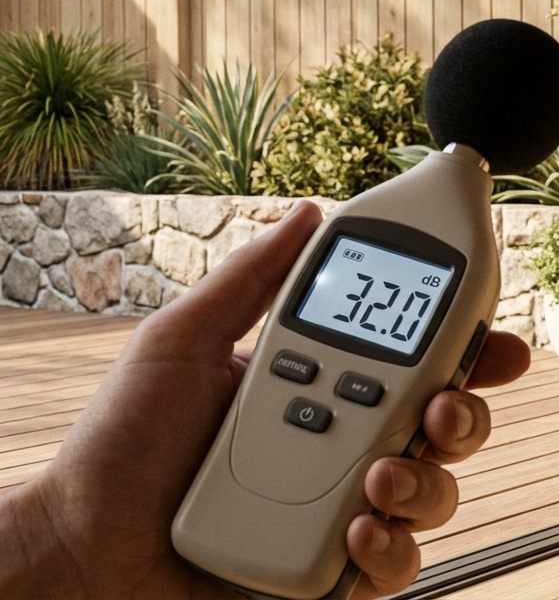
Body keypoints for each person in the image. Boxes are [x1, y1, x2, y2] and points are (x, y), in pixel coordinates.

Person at [0, 201, 530, 598]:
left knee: (409, 469)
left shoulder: (410, 231)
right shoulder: (461, 248)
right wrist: (61, 532)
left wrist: (56, 541)